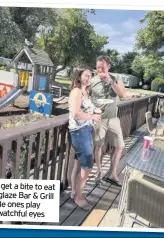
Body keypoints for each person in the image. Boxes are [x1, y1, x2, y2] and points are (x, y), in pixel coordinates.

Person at [89, 55, 126, 187]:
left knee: (120, 146)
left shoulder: (116, 78)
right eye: (97, 67)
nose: (99, 70)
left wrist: (111, 81)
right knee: (98, 146)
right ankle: (99, 171)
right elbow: (86, 99)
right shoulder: (92, 81)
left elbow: (122, 95)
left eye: (102, 67)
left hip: (114, 118)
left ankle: (112, 173)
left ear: (108, 67)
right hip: (99, 119)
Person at [68, 67, 102, 210]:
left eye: (90, 76)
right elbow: (76, 113)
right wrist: (93, 117)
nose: (89, 78)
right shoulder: (76, 91)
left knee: (79, 164)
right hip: (79, 132)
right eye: (86, 75)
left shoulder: (85, 92)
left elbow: (87, 109)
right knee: (87, 166)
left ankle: (75, 192)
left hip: (85, 131)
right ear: (79, 76)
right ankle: (79, 197)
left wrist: (96, 111)